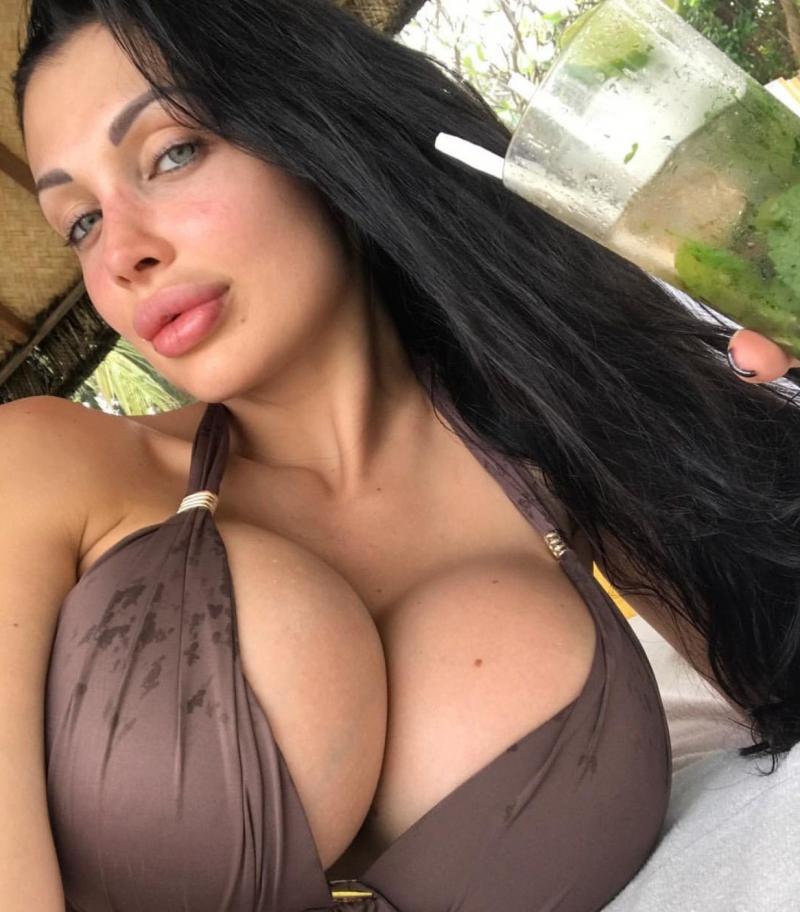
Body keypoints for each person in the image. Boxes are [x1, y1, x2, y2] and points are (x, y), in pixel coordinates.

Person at [2, 1, 798, 910]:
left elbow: (776, 669)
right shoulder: (47, 468)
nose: (122, 254)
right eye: (80, 222)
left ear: (311, 126)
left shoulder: (560, 431)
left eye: (173, 153)